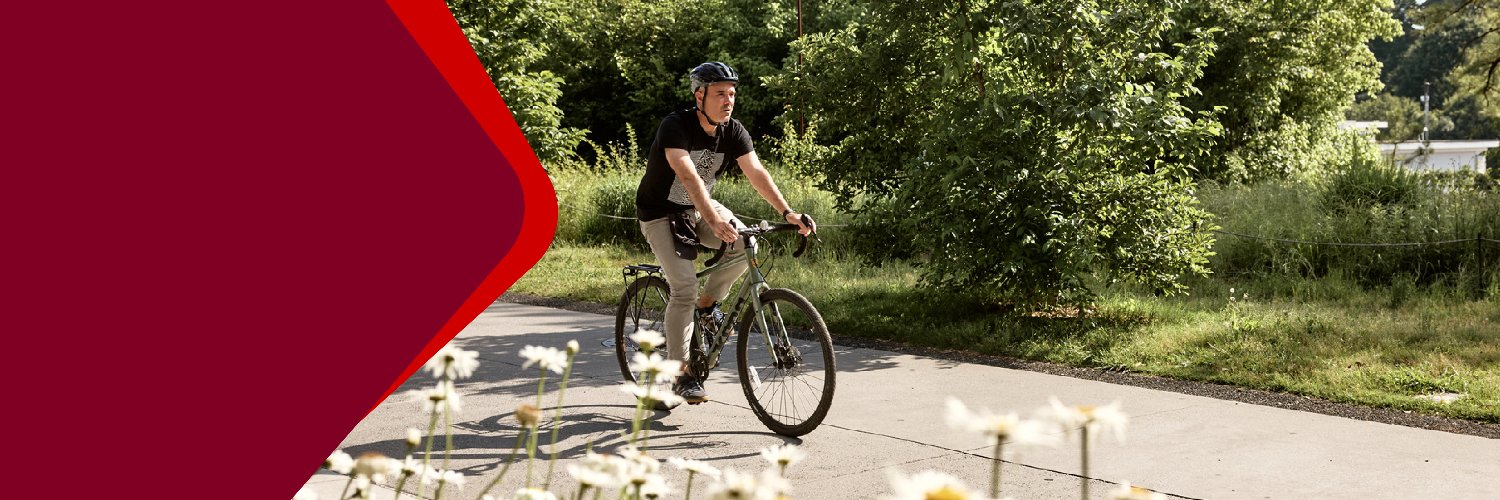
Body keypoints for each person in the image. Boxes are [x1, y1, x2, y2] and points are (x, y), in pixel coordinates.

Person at [635, 61, 815, 405]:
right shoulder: (676, 125)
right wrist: (713, 219)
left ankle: (708, 305)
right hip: (660, 213)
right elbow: (687, 175)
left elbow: (756, 171)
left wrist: (787, 212)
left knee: (744, 240)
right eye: (720, 94)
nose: (728, 100)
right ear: (699, 94)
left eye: (732, 94)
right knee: (684, 289)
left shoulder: (732, 131)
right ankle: (681, 373)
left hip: (697, 208)